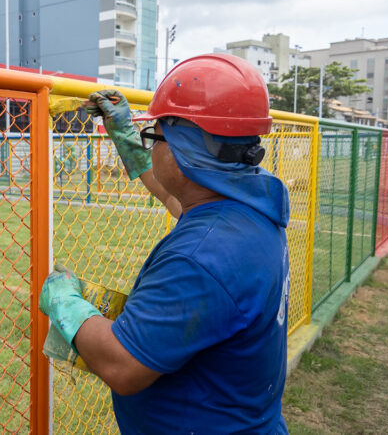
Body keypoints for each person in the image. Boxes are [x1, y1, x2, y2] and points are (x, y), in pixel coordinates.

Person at [40, 54, 291, 433]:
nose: (151, 144)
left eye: (154, 135)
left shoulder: (202, 257)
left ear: (181, 150)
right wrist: (126, 137)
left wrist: (66, 303)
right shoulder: (250, 212)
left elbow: (122, 365)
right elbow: (180, 200)